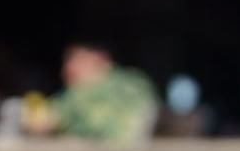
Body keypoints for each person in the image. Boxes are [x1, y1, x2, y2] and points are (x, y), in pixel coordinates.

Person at [31, 42, 159, 144]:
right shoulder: (138, 81)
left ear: (101, 58)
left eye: (75, 59)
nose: (67, 68)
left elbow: (43, 122)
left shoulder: (84, 91)